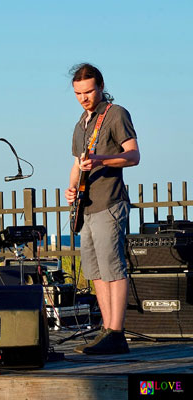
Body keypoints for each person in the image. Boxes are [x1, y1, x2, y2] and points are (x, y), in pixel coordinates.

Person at [64, 64, 140, 354]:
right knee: (95, 270)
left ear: (100, 87)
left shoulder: (115, 114)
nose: (83, 98)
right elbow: (76, 163)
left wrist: (101, 160)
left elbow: (133, 155)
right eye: (78, 93)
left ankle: (117, 332)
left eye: (88, 91)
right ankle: (107, 329)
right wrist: (71, 188)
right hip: (87, 205)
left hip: (109, 201)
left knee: (113, 266)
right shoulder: (81, 124)